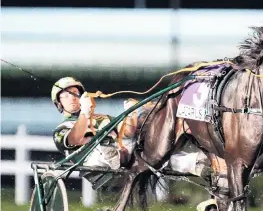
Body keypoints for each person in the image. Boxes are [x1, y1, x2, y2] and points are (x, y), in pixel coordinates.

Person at [51, 76, 210, 183]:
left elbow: (127, 131)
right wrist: (85, 113)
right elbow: (76, 138)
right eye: (66, 95)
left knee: (154, 154)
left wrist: (131, 113)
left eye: (75, 93)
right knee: (131, 152)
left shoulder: (102, 118)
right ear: (58, 102)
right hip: (93, 164)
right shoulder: (62, 129)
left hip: (125, 158)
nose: (72, 98)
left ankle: (198, 163)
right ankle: (113, 154)